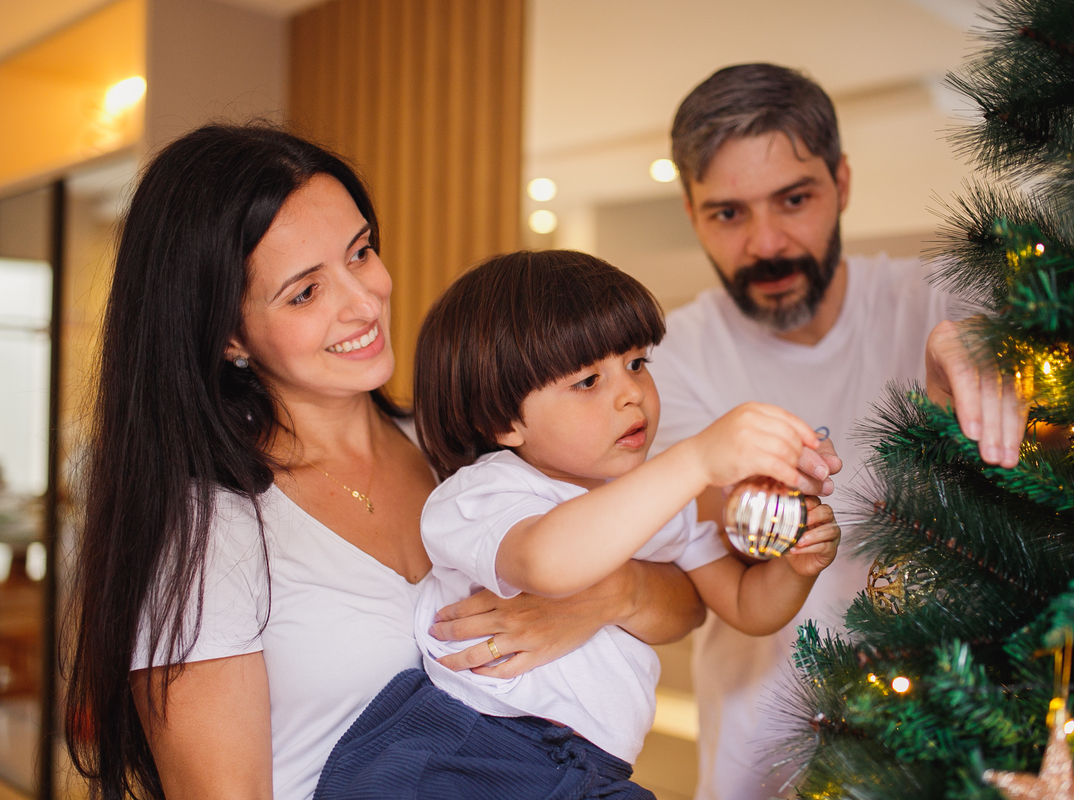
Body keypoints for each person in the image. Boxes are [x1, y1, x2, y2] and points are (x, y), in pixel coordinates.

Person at [63, 124, 733, 800]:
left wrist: (602, 597)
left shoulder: (461, 443)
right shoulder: (210, 533)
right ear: (229, 335)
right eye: (305, 292)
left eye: (360, 252)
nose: (363, 300)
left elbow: (687, 598)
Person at [314, 250, 842, 799]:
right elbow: (548, 562)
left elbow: (746, 607)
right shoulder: (483, 492)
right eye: (589, 380)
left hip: (590, 769)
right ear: (503, 419)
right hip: (469, 748)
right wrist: (696, 461)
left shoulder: (661, 502)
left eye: (637, 363)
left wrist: (797, 565)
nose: (630, 392)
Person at [648, 63, 1030, 800]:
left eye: (794, 200)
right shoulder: (670, 360)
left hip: (961, 747)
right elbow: (718, 538)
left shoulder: (940, 299)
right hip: (762, 765)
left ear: (842, 184)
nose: (766, 243)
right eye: (728, 213)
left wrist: (991, 353)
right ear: (692, 213)